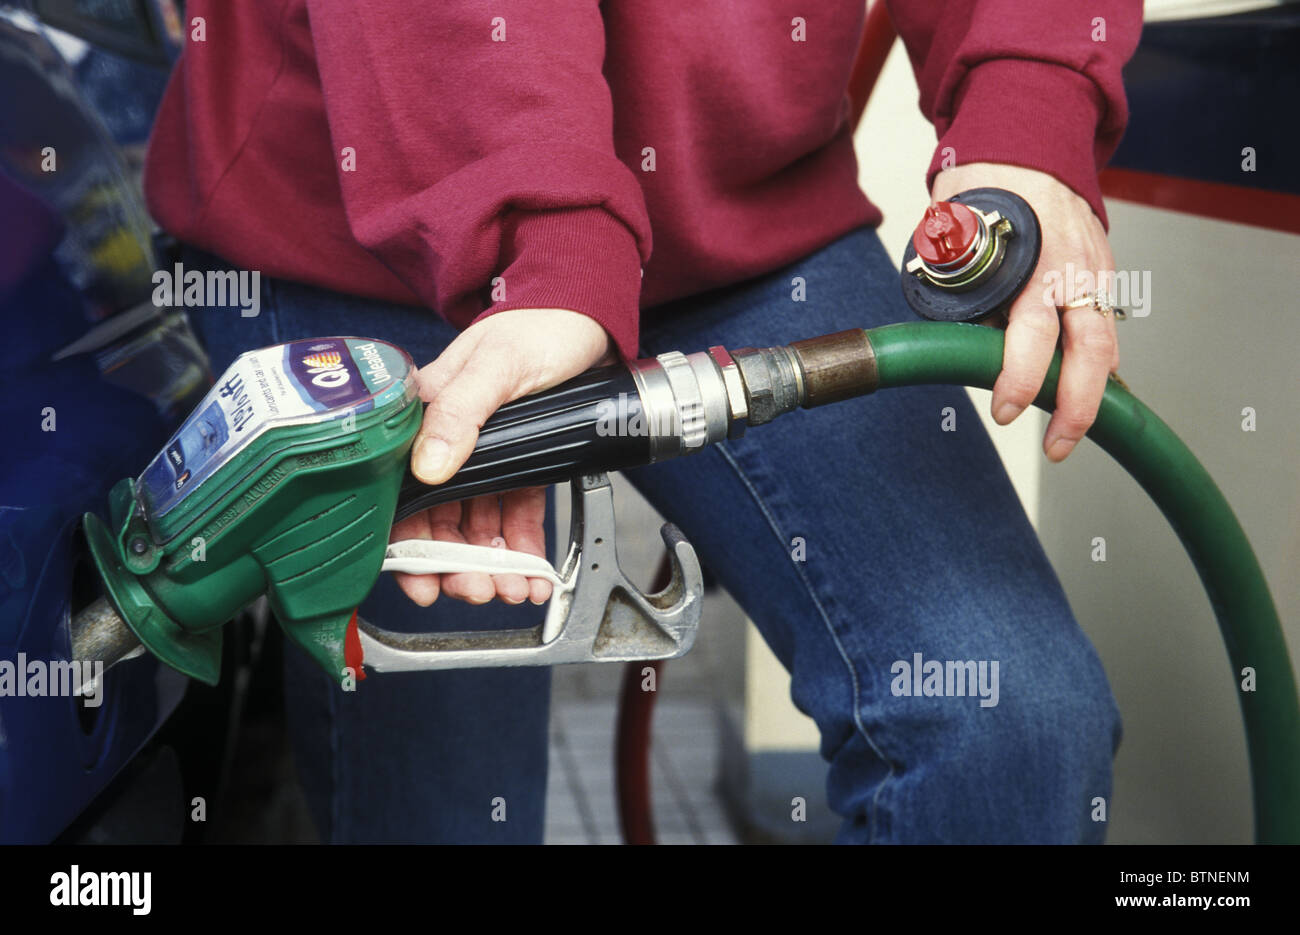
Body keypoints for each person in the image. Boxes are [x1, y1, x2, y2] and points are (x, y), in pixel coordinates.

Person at [144, 1, 1141, 843]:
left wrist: (1027, 105)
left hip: (743, 231)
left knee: (1005, 723)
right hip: (381, 228)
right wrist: (543, 245)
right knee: (449, 810)